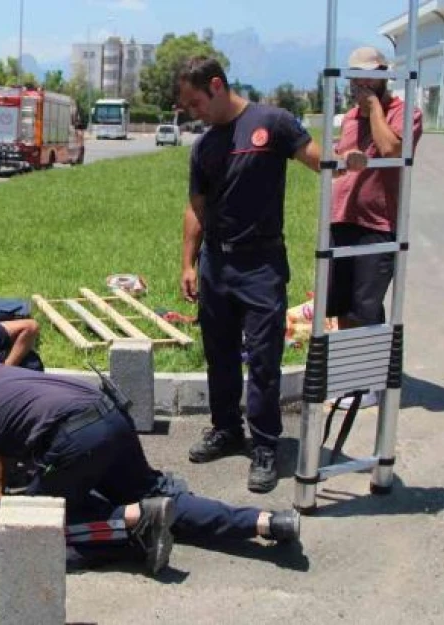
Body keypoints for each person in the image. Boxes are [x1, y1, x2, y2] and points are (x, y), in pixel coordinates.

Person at [0, 365, 300, 576]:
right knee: (160, 493)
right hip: (106, 412)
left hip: (74, 440)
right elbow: (3, 424)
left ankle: (132, 524)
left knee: (29, 527)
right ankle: (266, 522)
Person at [177, 56, 367, 493]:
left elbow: (315, 157)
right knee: (219, 354)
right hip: (215, 265)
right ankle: (226, 429)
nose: (193, 112)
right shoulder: (204, 146)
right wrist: (189, 261)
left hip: (260, 264)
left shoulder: (272, 122)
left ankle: (265, 445)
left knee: (262, 359)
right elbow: (196, 208)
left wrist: (344, 160)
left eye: (195, 102)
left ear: (217, 86)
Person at [327, 47, 424, 409]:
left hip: (378, 224)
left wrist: (376, 112)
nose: (360, 84)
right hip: (342, 218)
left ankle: (368, 382)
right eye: (355, 77)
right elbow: (341, 162)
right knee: (340, 304)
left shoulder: (406, 114)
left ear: (385, 76)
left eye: (369, 76)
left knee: (366, 306)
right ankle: (349, 376)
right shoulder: (349, 118)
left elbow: (389, 150)